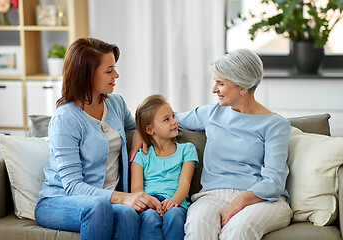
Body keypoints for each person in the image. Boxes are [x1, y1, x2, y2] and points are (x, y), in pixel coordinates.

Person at [130, 49, 293, 240]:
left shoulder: (275, 125)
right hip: (212, 196)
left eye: (221, 83)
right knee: (197, 226)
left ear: (243, 87)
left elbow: (274, 181)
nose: (214, 89)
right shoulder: (212, 113)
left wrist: (241, 200)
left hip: (261, 199)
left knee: (238, 230)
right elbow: (160, 120)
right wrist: (139, 133)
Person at [34, 37, 162, 240]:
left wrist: (139, 132)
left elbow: (137, 123)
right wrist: (124, 197)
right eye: (109, 70)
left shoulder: (116, 104)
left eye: (115, 68)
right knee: (99, 206)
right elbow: (73, 186)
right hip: (58, 201)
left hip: (105, 201)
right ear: (87, 75)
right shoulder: (65, 118)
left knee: (128, 213)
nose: (116, 75)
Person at [131, 94, 198, 240]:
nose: (174, 122)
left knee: (174, 215)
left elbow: (184, 183)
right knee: (149, 217)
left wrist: (174, 201)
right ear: (149, 130)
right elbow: (136, 189)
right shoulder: (141, 156)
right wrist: (151, 203)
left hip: (176, 202)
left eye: (173, 115)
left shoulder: (187, 150)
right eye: (166, 119)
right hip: (149, 203)